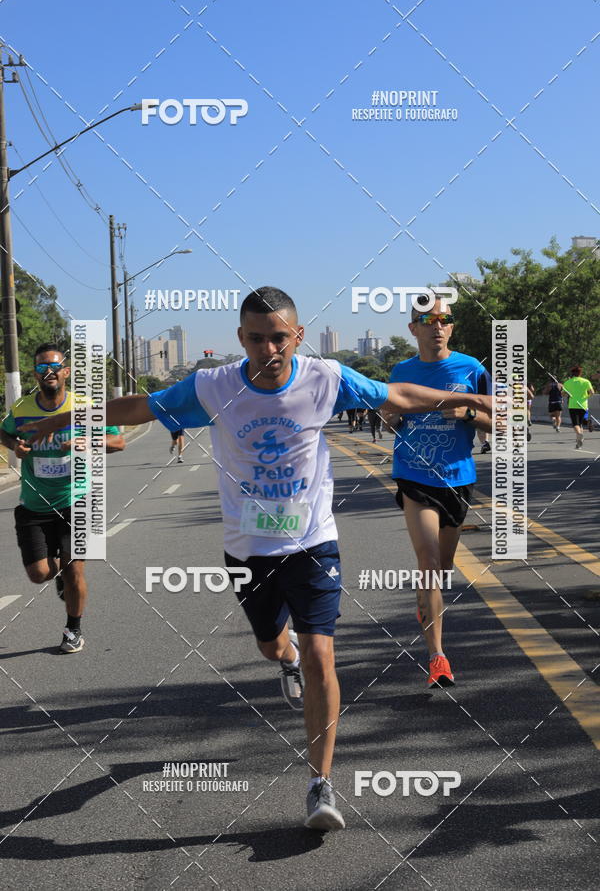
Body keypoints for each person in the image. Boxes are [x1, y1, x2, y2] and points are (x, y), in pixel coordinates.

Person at [26, 287, 493, 831]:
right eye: (255, 338)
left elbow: (399, 397)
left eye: (278, 336)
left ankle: (321, 783)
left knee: (323, 654)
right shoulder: (214, 386)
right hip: (248, 549)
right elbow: (141, 407)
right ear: (240, 339)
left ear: (297, 335)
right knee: (275, 646)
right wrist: (67, 419)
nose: (268, 348)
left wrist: (480, 401)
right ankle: (285, 656)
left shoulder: (327, 378)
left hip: (315, 543)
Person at [381, 294, 492, 690]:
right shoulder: (402, 370)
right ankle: (437, 658)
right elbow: (392, 420)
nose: (437, 326)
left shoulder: (471, 368)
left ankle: (426, 608)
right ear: (413, 329)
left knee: (442, 573)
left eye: (445, 319)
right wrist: (391, 416)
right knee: (427, 564)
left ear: (452, 327)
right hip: (414, 476)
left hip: (457, 478)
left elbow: (504, 422)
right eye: (427, 320)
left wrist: (465, 412)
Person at [0, 343, 125, 653]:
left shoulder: (85, 406)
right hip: (34, 504)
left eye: (55, 366)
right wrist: (14, 445)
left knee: (74, 569)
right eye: (42, 367)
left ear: (66, 371)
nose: (49, 372)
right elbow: (2, 433)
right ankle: (58, 577)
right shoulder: (21, 409)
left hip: (77, 502)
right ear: (36, 374)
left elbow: (118, 441)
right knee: (39, 573)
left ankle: (73, 629)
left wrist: (88, 441)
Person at [562, 366, 594, 449]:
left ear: (572, 373)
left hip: (573, 405)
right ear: (580, 373)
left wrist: (568, 394)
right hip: (583, 405)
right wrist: (585, 397)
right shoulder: (586, 381)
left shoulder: (568, 382)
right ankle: (579, 443)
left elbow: (563, 394)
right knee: (580, 424)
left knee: (576, 424)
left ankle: (579, 435)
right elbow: (592, 392)